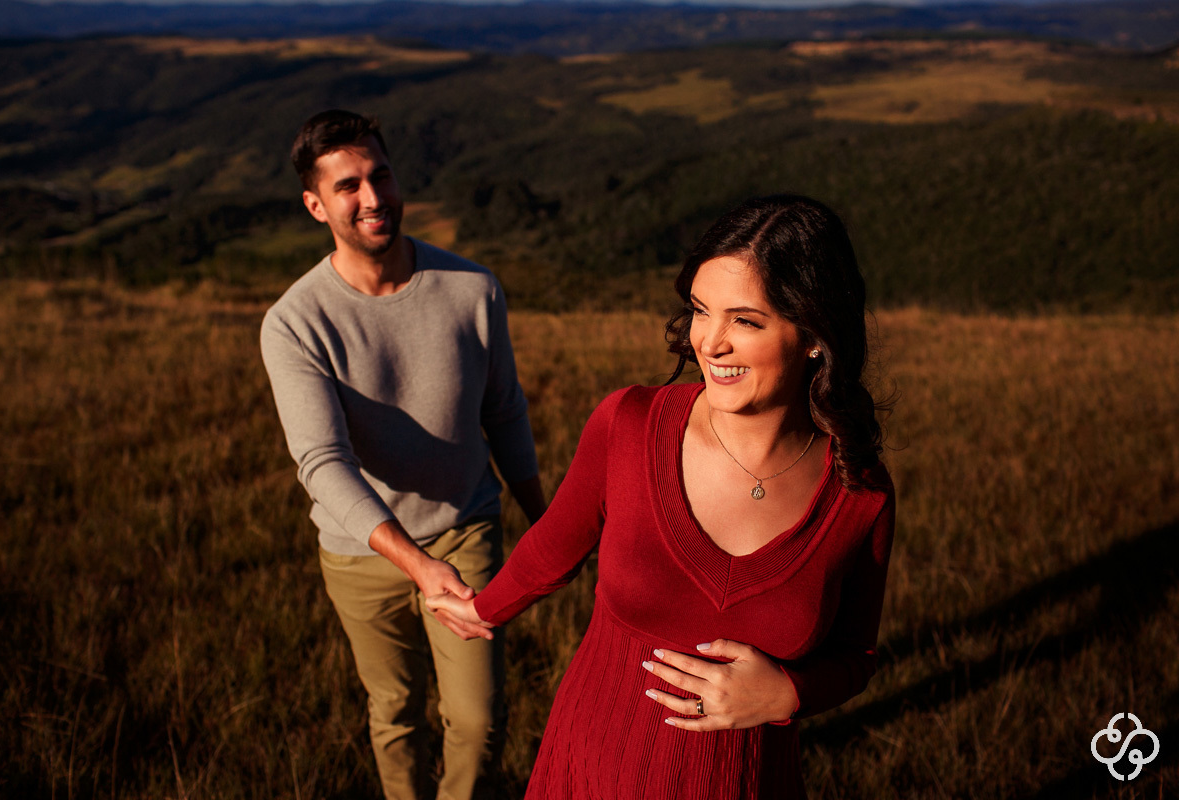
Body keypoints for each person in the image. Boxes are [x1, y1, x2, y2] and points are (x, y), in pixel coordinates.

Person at [429, 194, 895, 799]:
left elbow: (856, 655)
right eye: (702, 311)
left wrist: (789, 694)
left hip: (748, 781)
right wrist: (482, 610)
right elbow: (555, 545)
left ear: (814, 335)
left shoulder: (859, 491)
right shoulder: (628, 423)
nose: (711, 342)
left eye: (746, 321)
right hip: (597, 766)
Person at [260, 109, 547, 800]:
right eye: (348, 185)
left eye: (380, 175)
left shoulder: (472, 289)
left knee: (477, 721)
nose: (372, 197)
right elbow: (322, 462)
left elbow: (503, 411)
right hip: (362, 556)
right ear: (315, 205)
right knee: (394, 713)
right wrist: (417, 564)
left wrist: (545, 517)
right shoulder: (296, 322)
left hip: (465, 523)